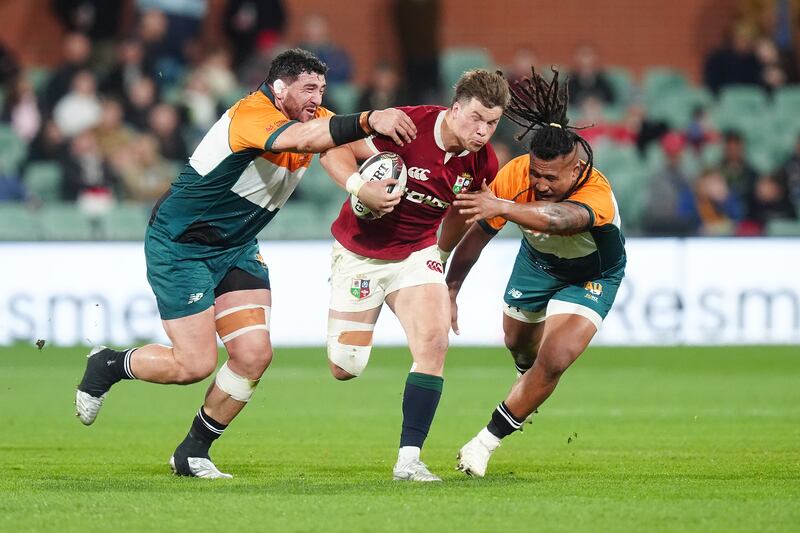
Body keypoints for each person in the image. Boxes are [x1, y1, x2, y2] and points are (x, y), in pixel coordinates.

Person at [74, 48, 416, 479]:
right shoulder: (251, 115)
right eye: (309, 88)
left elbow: (341, 146)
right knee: (194, 365)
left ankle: (192, 453)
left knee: (254, 356)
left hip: (236, 247)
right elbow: (308, 139)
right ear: (279, 88)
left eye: (322, 89)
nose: (317, 98)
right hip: (182, 245)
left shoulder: (314, 119)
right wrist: (370, 118)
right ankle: (107, 365)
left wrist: (387, 169)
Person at [319, 69, 510, 481]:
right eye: (476, 118)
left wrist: (440, 256)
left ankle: (409, 460)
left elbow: (461, 211)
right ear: (454, 109)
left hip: (416, 254)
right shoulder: (406, 127)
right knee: (345, 367)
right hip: (360, 254)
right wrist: (359, 187)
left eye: (492, 123)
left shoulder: (483, 162)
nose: (483, 131)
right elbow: (332, 147)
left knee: (434, 343)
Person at [447, 67, 626, 477]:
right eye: (535, 173)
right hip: (536, 264)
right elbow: (478, 236)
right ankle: (528, 383)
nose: (540, 183)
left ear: (575, 170)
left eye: (550, 177)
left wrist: (504, 207)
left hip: (592, 275)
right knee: (518, 345)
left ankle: (483, 443)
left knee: (556, 357)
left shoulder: (596, 193)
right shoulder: (515, 175)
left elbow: (560, 219)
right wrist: (451, 288)